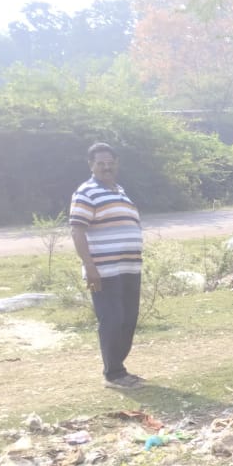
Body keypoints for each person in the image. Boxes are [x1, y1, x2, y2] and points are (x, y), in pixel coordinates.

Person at [70, 142, 145, 389]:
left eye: (110, 163)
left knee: (128, 319)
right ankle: (113, 374)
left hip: (129, 269)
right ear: (91, 165)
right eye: (100, 163)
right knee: (112, 319)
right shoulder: (86, 192)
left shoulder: (120, 190)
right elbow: (77, 231)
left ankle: (119, 369)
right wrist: (90, 268)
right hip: (104, 271)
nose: (106, 167)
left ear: (116, 164)